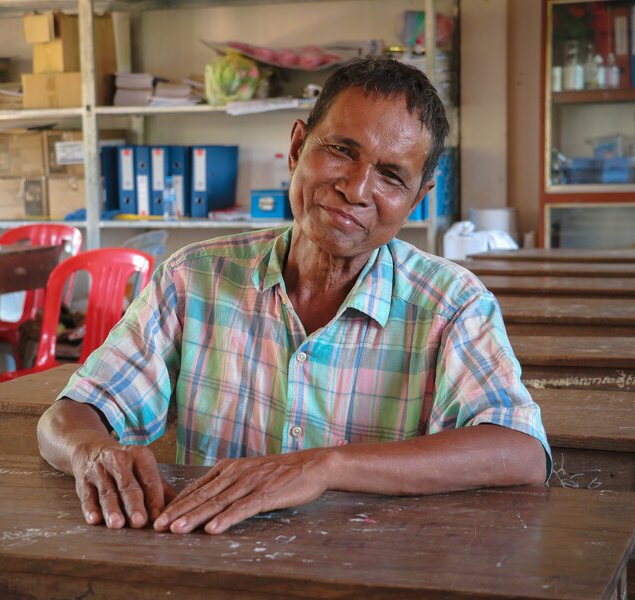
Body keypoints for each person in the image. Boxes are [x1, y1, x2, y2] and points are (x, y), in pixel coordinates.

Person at [38, 56, 551, 536]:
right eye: (341, 151)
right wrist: (92, 450)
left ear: (418, 199)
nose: (356, 189)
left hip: (377, 572)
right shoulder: (195, 278)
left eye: (391, 176)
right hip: (212, 562)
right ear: (297, 148)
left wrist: (327, 465)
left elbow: (521, 452)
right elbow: (68, 415)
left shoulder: (452, 303)